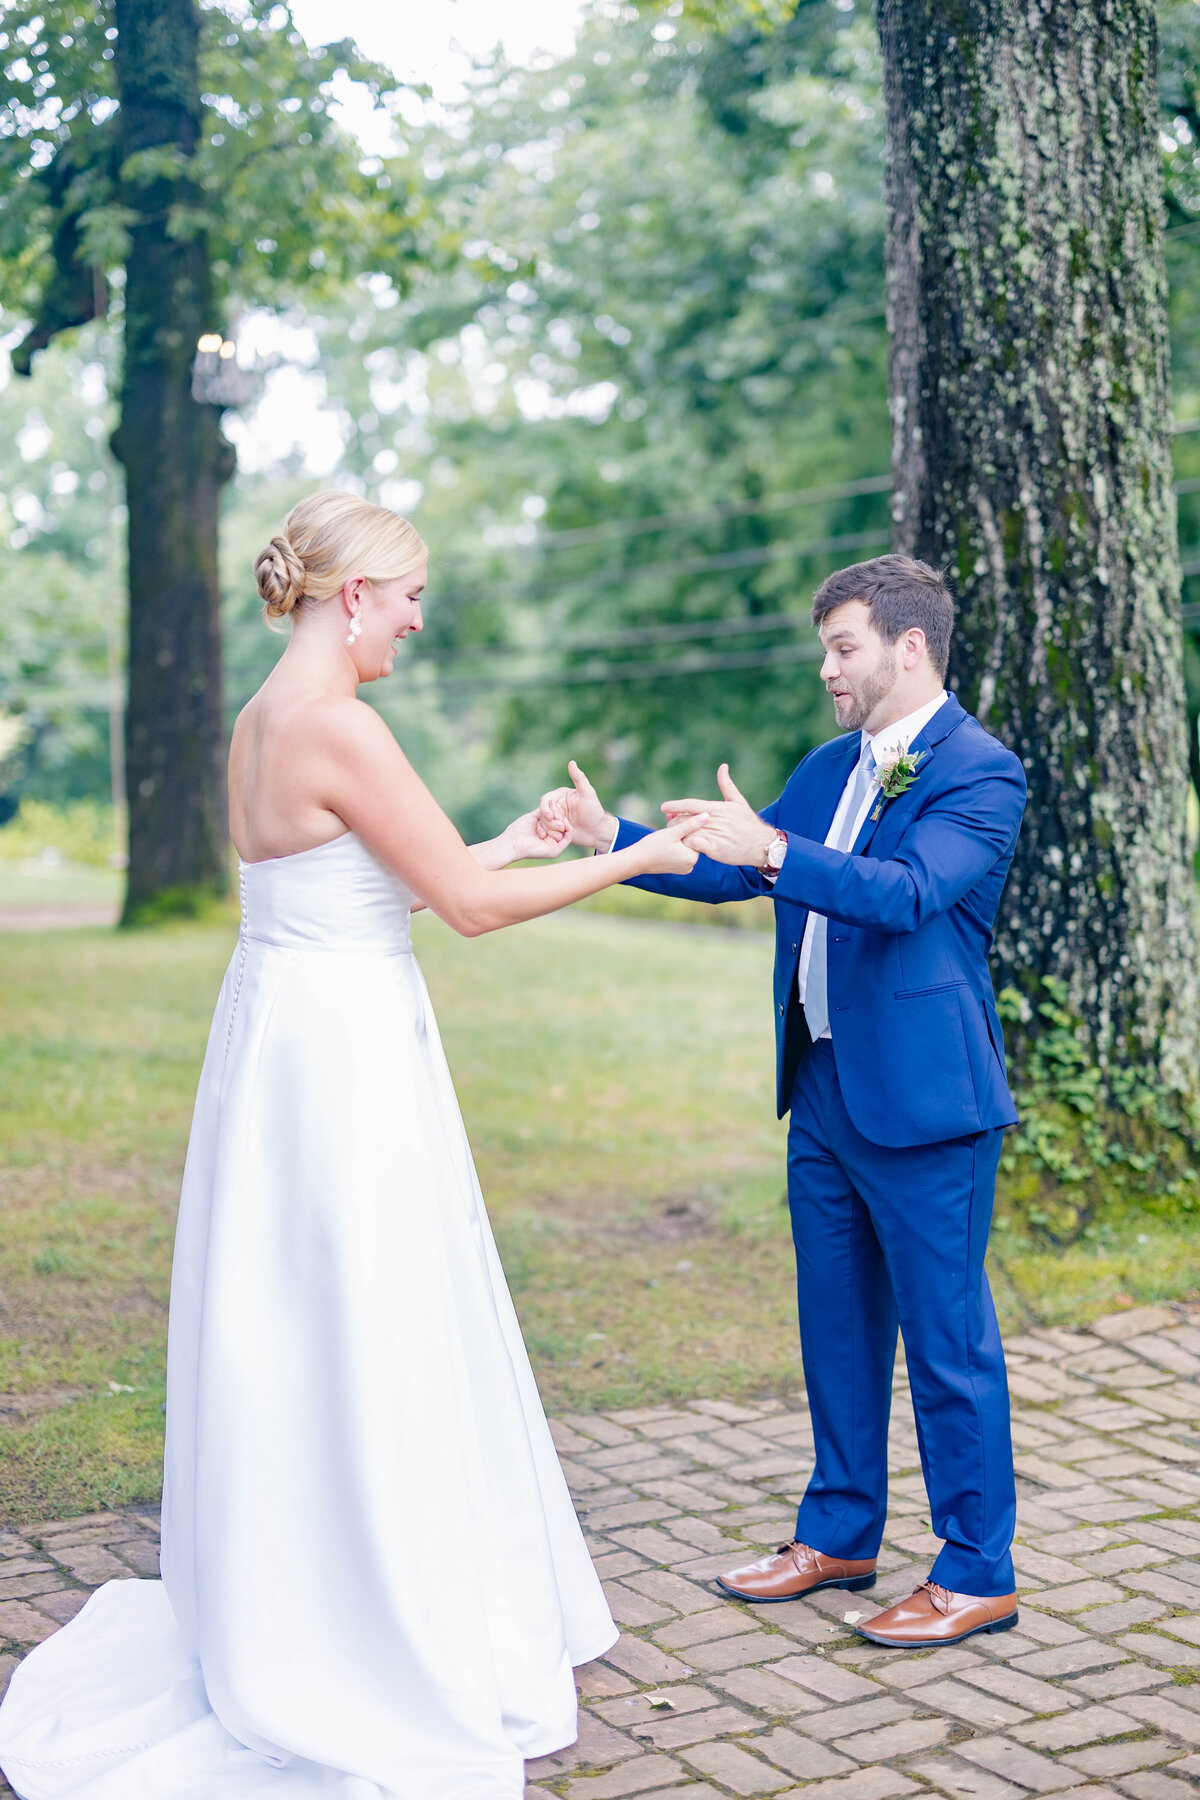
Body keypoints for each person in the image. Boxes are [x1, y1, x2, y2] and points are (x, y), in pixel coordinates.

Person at [0, 491, 703, 1800]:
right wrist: (635, 858)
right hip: (347, 1062)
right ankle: (367, 1614)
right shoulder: (345, 726)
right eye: (412, 595)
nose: (420, 622)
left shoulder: (264, 721)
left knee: (298, 1321)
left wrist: (508, 836)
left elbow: (373, 879)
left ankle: (302, 1580)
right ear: (354, 595)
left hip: (285, 1044)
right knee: (370, 1315)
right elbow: (473, 911)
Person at [539, 554, 1027, 1649]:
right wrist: (610, 837)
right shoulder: (830, 767)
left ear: (908, 648)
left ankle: (977, 1568)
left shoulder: (981, 772)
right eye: (824, 649)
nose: (826, 669)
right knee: (837, 1330)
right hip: (821, 1088)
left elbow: (904, 896)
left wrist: (775, 851)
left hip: (928, 1106)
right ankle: (841, 1534)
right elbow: (730, 868)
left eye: (842, 647)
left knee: (949, 1343)